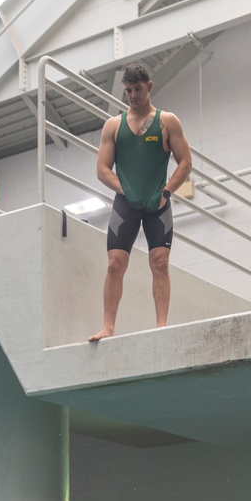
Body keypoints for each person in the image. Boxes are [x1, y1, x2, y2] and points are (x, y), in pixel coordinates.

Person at [89, 61, 192, 343]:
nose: (133, 95)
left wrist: (167, 191)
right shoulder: (113, 126)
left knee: (159, 262)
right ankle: (108, 327)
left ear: (148, 87)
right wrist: (127, 189)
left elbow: (185, 163)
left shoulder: (167, 121)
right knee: (114, 264)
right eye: (127, 91)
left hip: (158, 203)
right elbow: (102, 169)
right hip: (126, 204)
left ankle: (161, 326)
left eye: (137, 89)